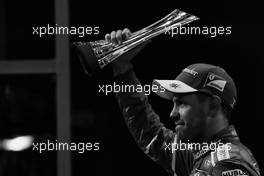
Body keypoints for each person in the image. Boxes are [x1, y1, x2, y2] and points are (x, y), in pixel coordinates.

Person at [105, 28, 261, 176]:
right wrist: (122, 67)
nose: (172, 113)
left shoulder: (228, 163)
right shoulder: (201, 154)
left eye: (182, 103)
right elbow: (148, 130)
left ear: (212, 106)